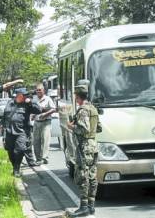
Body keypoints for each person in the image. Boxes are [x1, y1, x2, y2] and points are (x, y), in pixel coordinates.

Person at [67, 83, 101, 217]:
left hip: (85, 146)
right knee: (92, 176)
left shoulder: (83, 110)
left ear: (77, 97)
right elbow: (98, 128)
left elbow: (84, 129)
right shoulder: (93, 108)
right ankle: (91, 205)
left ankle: (84, 206)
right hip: (93, 144)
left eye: (75, 95)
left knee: (83, 176)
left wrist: (71, 126)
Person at [0, 88, 41, 177]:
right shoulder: (10, 103)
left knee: (20, 149)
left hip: (22, 131)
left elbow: (39, 110)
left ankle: (16, 169)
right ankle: (14, 166)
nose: (26, 96)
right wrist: (2, 127)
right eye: (24, 95)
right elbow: (5, 116)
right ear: (19, 95)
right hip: (9, 131)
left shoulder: (27, 104)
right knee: (10, 151)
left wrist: (30, 102)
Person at [32, 83, 56, 165]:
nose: (38, 91)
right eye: (37, 90)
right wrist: (32, 115)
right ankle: (38, 158)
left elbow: (53, 109)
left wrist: (45, 114)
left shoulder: (48, 99)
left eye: (40, 90)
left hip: (46, 122)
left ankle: (44, 157)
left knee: (45, 140)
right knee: (36, 141)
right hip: (36, 122)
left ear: (43, 91)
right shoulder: (34, 100)